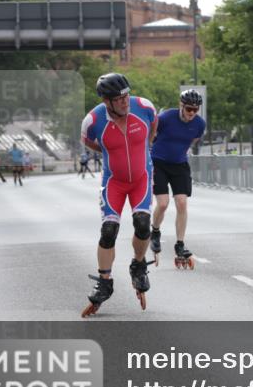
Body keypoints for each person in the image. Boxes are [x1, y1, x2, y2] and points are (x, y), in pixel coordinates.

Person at [79, 73, 158, 317]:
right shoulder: (92, 121)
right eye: (119, 99)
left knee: (143, 224)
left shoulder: (144, 107)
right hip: (113, 182)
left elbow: (152, 130)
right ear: (106, 101)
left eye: (126, 96)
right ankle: (105, 282)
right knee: (108, 230)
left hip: (141, 179)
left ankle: (138, 264)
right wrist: (109, 151)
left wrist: (142, 150)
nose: (125, 101)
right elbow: (89, 142)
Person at [150, 88, 206, 269]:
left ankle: (180, 244)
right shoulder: (165, 117)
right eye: (189, 109)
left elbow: (193, 140)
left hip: (179, 164)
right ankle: (155, 231)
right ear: (181, 105)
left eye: (195, 110)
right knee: (163, 204)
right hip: (158, 163)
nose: (192, 113)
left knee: (182, 203)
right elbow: (150, 136)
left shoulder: (199, 124)